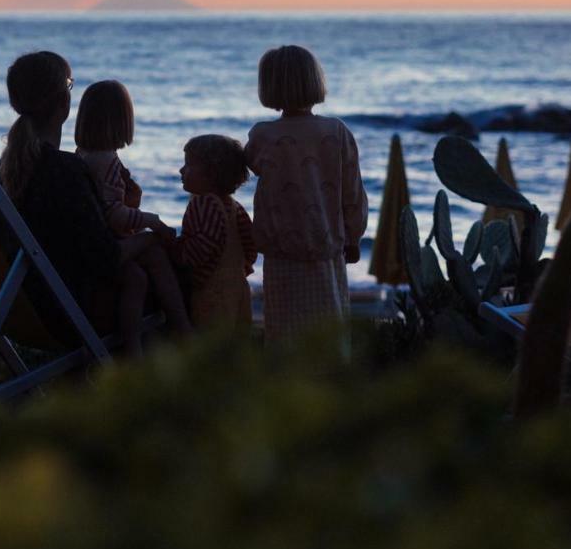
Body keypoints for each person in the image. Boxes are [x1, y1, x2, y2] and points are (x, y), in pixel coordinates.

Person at [0, 52, 181, 356]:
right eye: (69, 84)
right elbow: (107, 257)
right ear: (63, 103)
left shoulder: (6, 168)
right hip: (66, 312)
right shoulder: (66, 170)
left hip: (16, 305)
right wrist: (152, 235)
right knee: (171, 272)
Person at [245, 45, 368, 345]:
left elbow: (250, 163)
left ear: (269, 86)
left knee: (284, 331)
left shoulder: (264, 135)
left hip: (281, 250)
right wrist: (353, 237)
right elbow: (352, 193)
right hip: (326, 245)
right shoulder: (336, 132)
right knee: (330, 323)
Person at [74, 79, 192, 335]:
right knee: (155, 248)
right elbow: (113, 215)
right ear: (122, 121)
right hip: (106, 247)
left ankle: (133, 348)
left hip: (91, 247)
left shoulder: (81, 154)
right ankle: (181, 324)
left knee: (135, 278)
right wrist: (152, 221)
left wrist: (132, 201)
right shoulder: (106, 161)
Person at [172, 134, 256, 329]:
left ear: (211, 173)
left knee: (209, 344)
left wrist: (173, 248)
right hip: (239, 288)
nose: (181, 170)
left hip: (212, 292)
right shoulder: (235, 206)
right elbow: (251, 246)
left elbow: (201, 249)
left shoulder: (203, 203)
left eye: (188, 165)